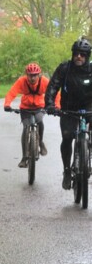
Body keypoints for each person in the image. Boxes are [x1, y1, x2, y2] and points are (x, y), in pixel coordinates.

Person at [45, 38, 92, 189]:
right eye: (76, 53)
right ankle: (66, 171)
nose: (79, 57)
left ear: (87, 56)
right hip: (68, 108)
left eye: (82, 54)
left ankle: (87, 154)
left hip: (89, 106)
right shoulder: (64, 68)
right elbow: (53, 86)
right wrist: (50, 104)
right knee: (67, 137)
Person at [3, 63, 56, 167]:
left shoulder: (44, 81)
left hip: (40, 107)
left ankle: (40, 142)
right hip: (25, 108)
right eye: (30, 75)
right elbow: (11, 93)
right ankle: (24, 157)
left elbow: (54, 93)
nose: (32, 78)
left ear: (39, 74)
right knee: (26, 127)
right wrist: (7, 104)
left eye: (35, 75)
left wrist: (56, 106)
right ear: (26, 74)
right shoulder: (21, 81)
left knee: (39, 121)